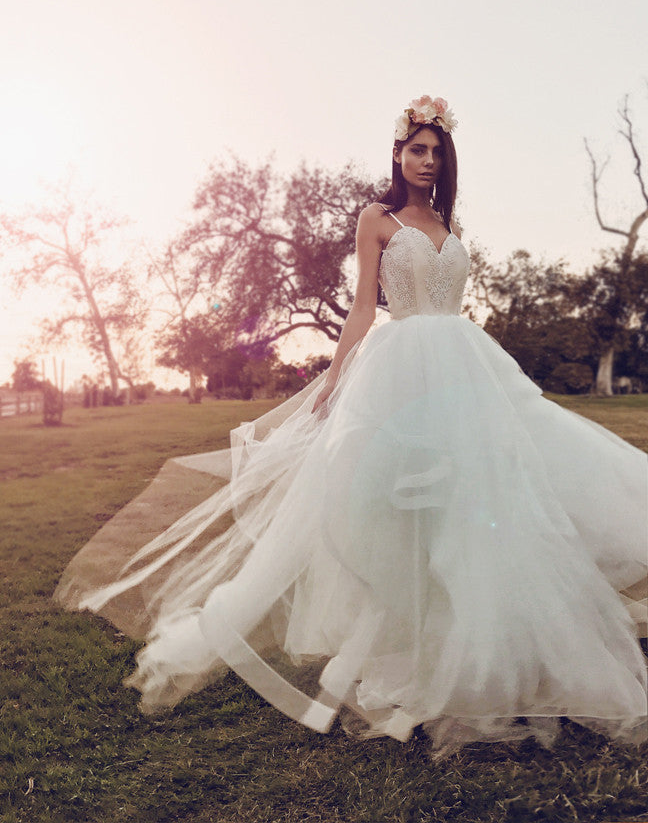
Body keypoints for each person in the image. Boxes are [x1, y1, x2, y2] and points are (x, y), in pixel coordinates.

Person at [55, 95, 647, 757]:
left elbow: (451, 299)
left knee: (482, 495)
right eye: (417, 149)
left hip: (463, 365)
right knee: (389, 501)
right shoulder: (378, 217)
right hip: (400, 366)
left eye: (437, 150)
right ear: (398, 154)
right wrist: (336, 381)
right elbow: (365, 308)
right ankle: (406, 647)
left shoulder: (448, 222)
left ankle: (477, 648)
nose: (427, 159)